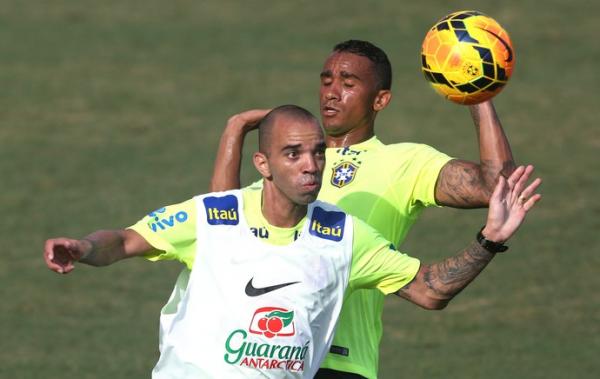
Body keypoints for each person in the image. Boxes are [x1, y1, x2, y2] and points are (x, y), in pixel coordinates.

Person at [44, 105, 540, 379]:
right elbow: (126, 240)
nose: (310, 165)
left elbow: (429, 289)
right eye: (293, 153)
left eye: (317, 152)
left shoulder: (342, 234)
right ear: (263, 165)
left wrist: (488, 240)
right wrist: (85, 249)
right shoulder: (215, 216)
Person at [210, 40, 517, 378]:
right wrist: (235, 130)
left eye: (348, 83)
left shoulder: (404, 162)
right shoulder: (289, 164)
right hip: (257, 358)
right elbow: (220, 234)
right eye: (326, 81)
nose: (331, 92)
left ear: (380, 100)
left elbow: (496, 186)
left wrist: (477, 94)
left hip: (338, 362)